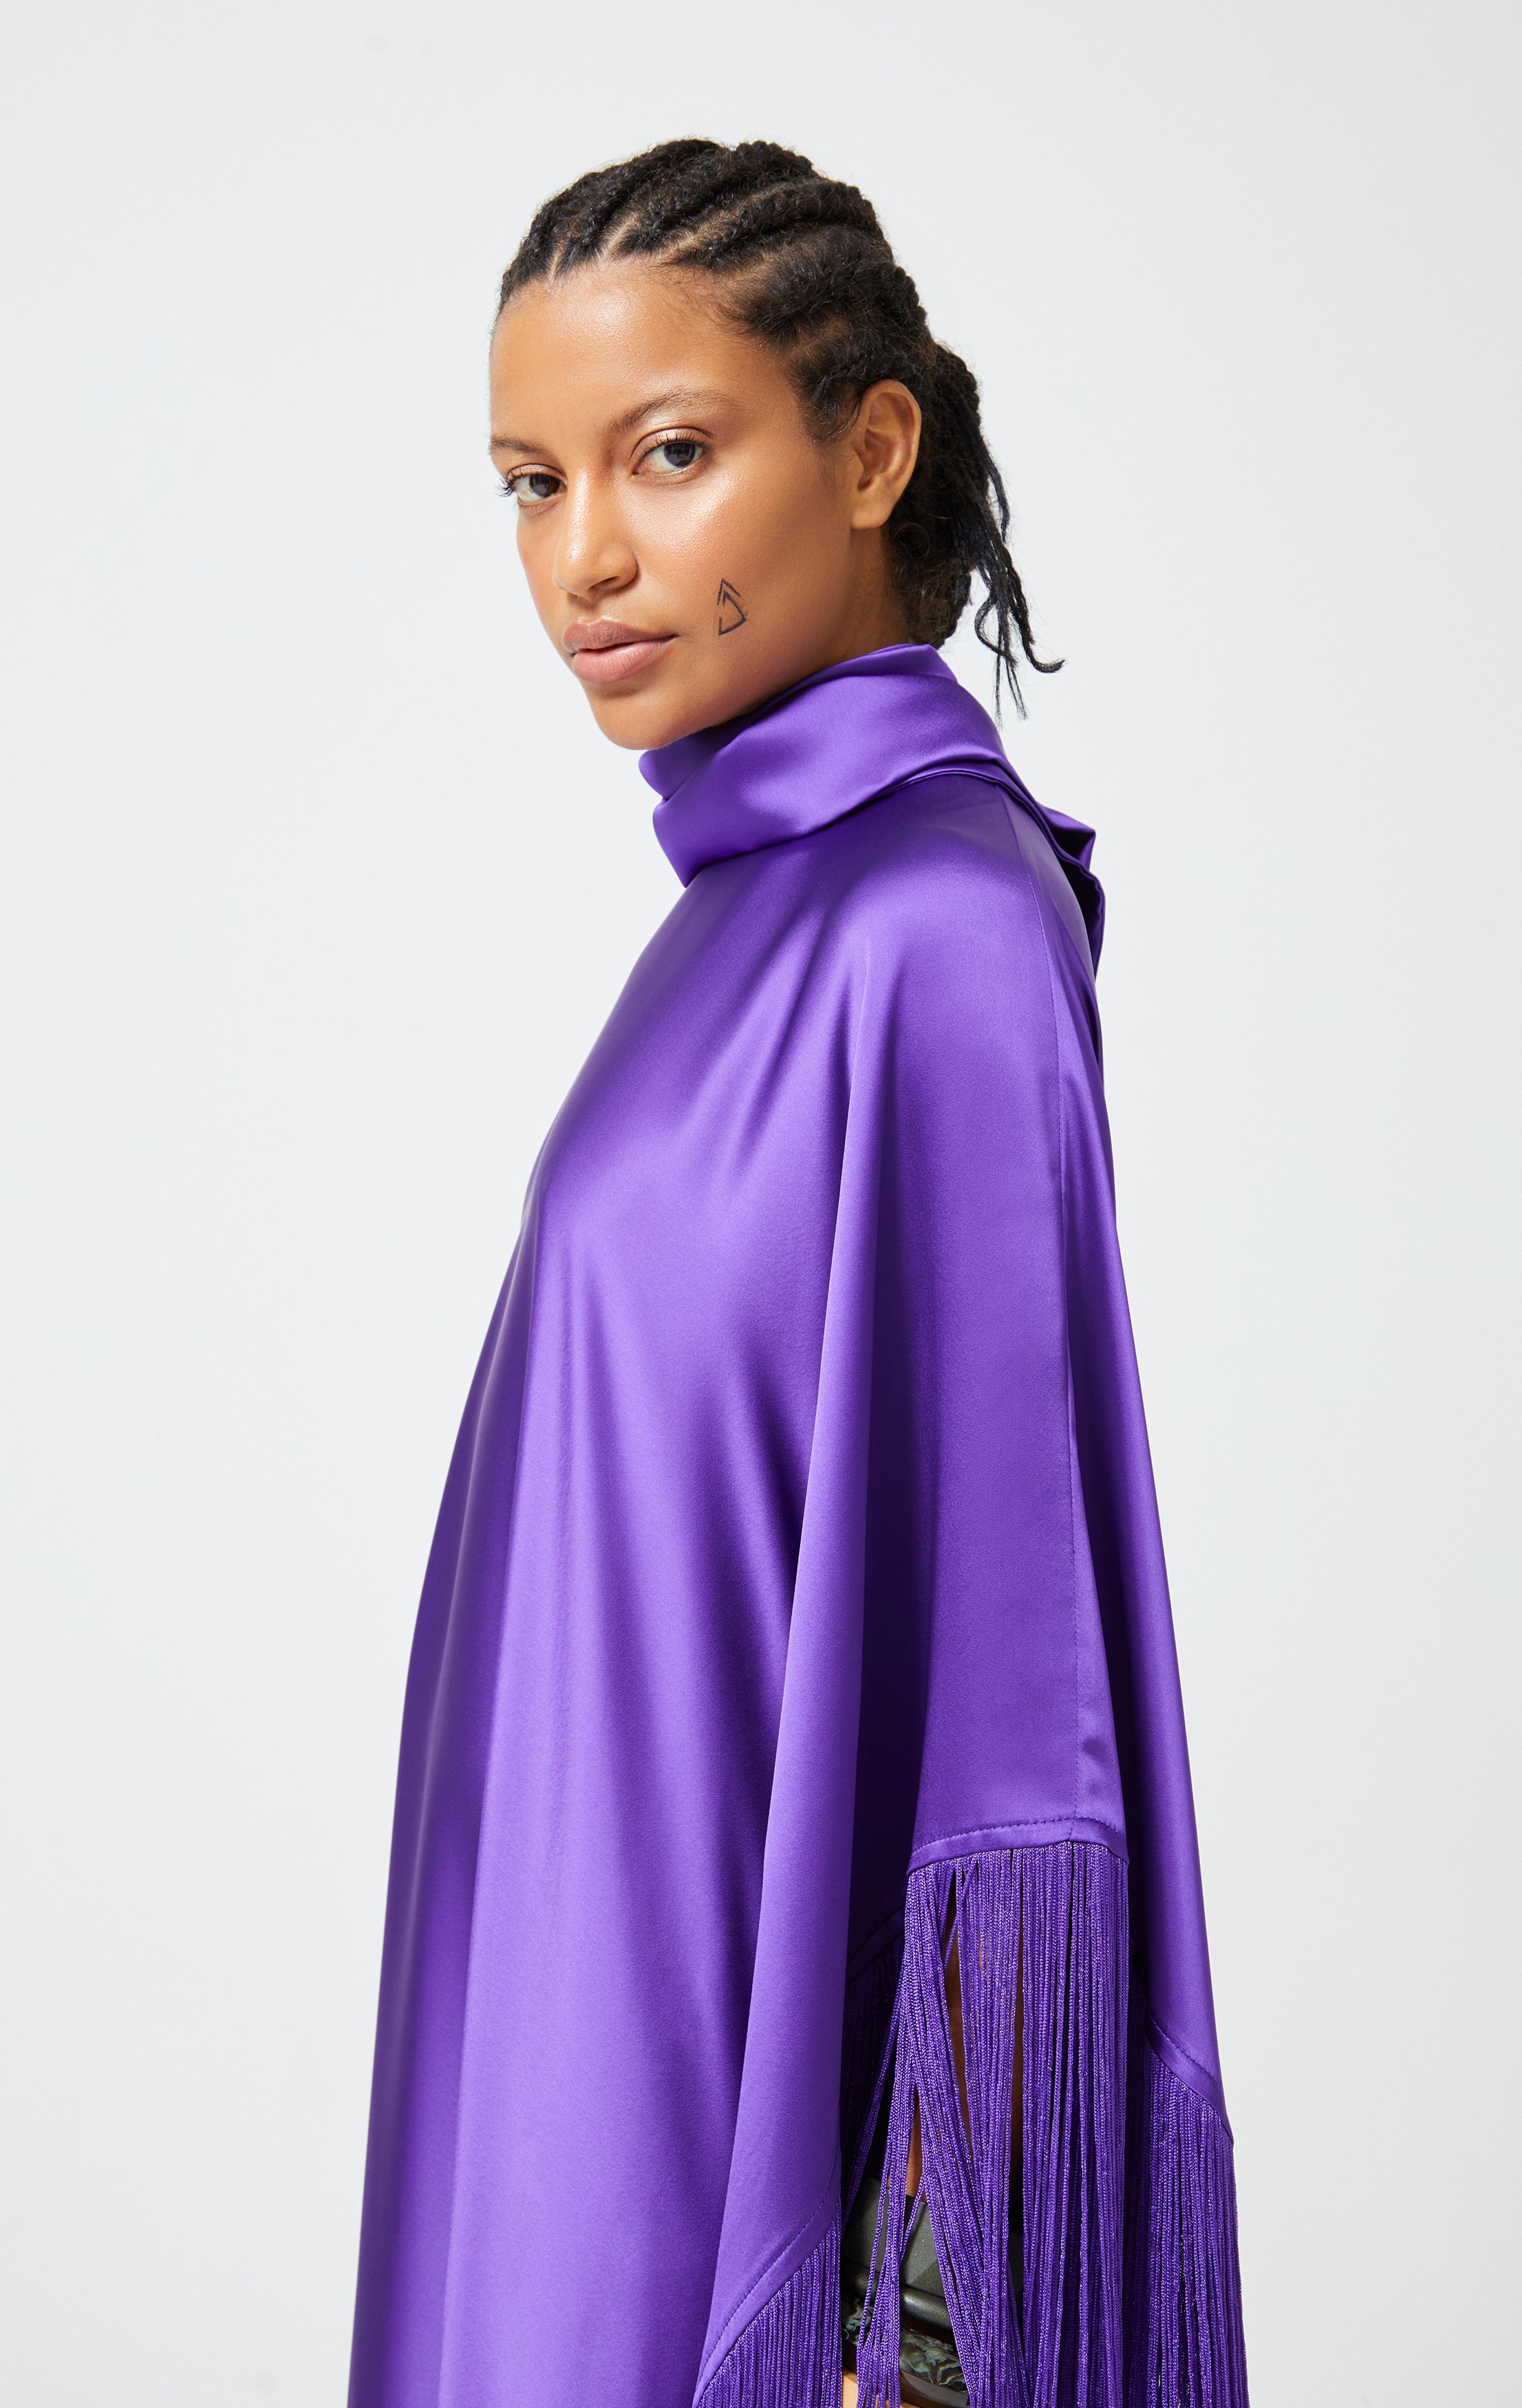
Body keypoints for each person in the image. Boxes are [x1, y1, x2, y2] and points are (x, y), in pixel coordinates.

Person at [347, 139, 1249, 2408]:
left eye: (666, 453)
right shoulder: (752, 913)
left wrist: (920, 2343)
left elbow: (1006, 1718)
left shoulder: (931, 924)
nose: (585, 555)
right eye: (530, 483)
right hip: (563, 2106)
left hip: (727, 2245)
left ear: (868, 453)